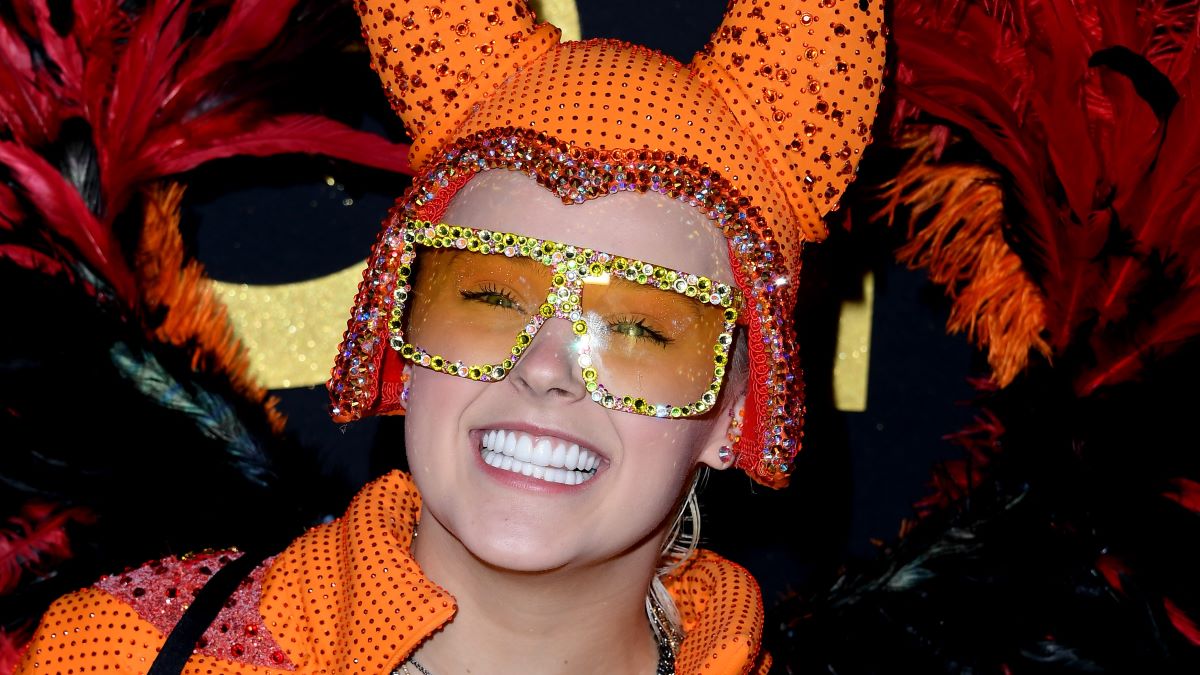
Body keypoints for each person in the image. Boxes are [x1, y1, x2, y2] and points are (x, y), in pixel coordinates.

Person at [15, 0, 883, 673]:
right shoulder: (130, 651)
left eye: (641, 329)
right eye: (487, 295)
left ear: (738, 410)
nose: (545, 367)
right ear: (397, 327)